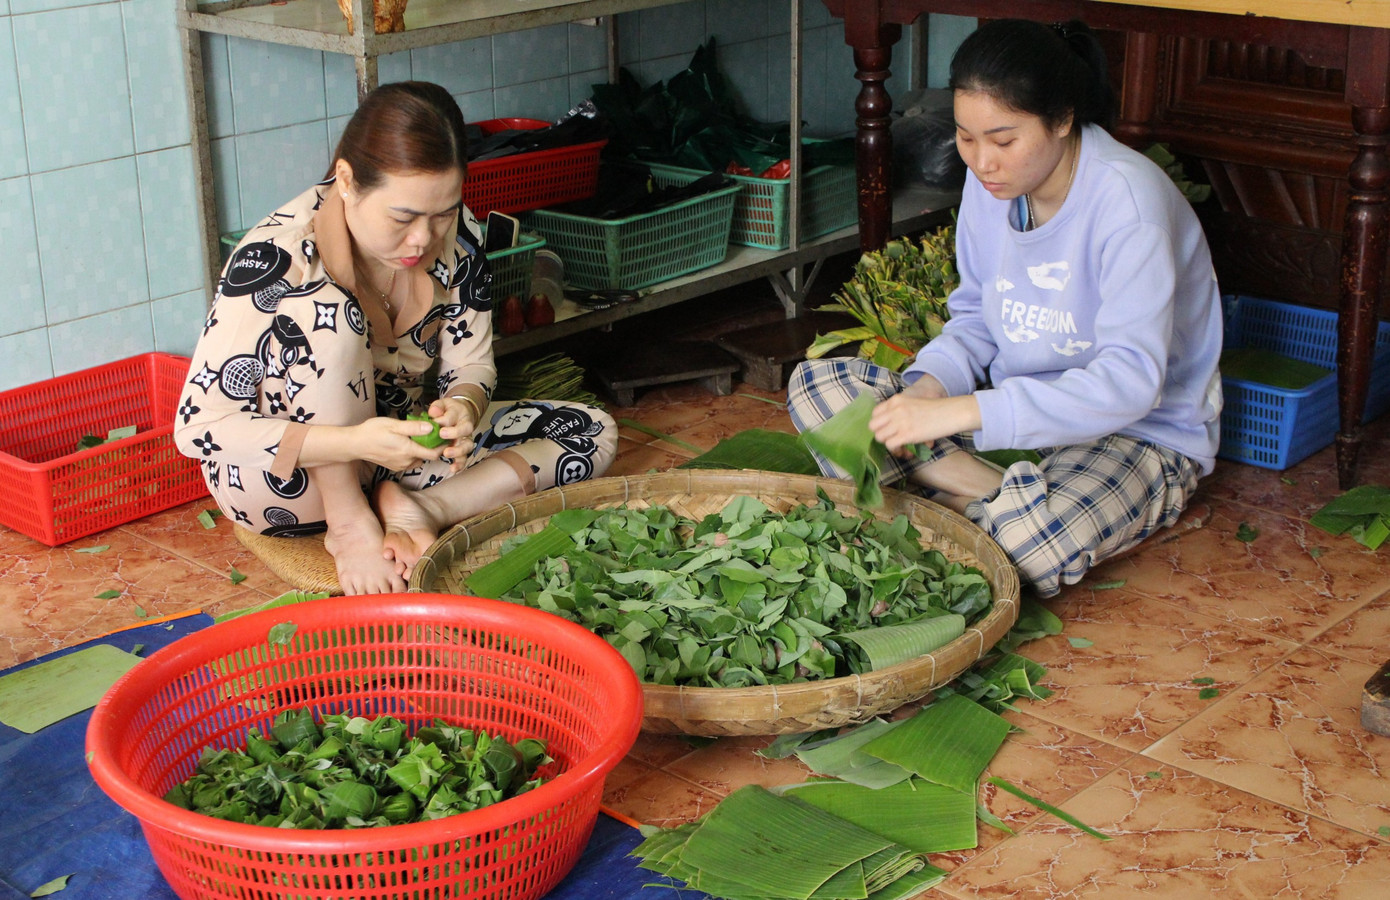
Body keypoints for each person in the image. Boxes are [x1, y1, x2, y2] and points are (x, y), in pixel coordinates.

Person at [788, 19, 1223, 598]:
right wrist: (927, 389)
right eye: (966, 138)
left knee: (1029, 544)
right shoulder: (991, 185)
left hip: (1138, 435)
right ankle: (983, 492)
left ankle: (954, 501)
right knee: (817, 387)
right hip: (1021, 424)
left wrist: (963, 414)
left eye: (1002, 139)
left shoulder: (1129, 205)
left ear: (1063, 120)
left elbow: (1130, 385)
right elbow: (975, 317)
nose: (981, 161)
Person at [175, 81, 617, 595]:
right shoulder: (277, 258)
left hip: (395, 460)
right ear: (346, 180)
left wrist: (462, 409)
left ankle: (421, 509)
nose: (423, 240)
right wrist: (353, 442)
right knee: (332, 316)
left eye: (443, 213)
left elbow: (471, 368)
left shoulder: (459, 237)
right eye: (403, 217)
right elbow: (197, 429)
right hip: (288, 486)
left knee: (590, 431)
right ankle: (348, 525)